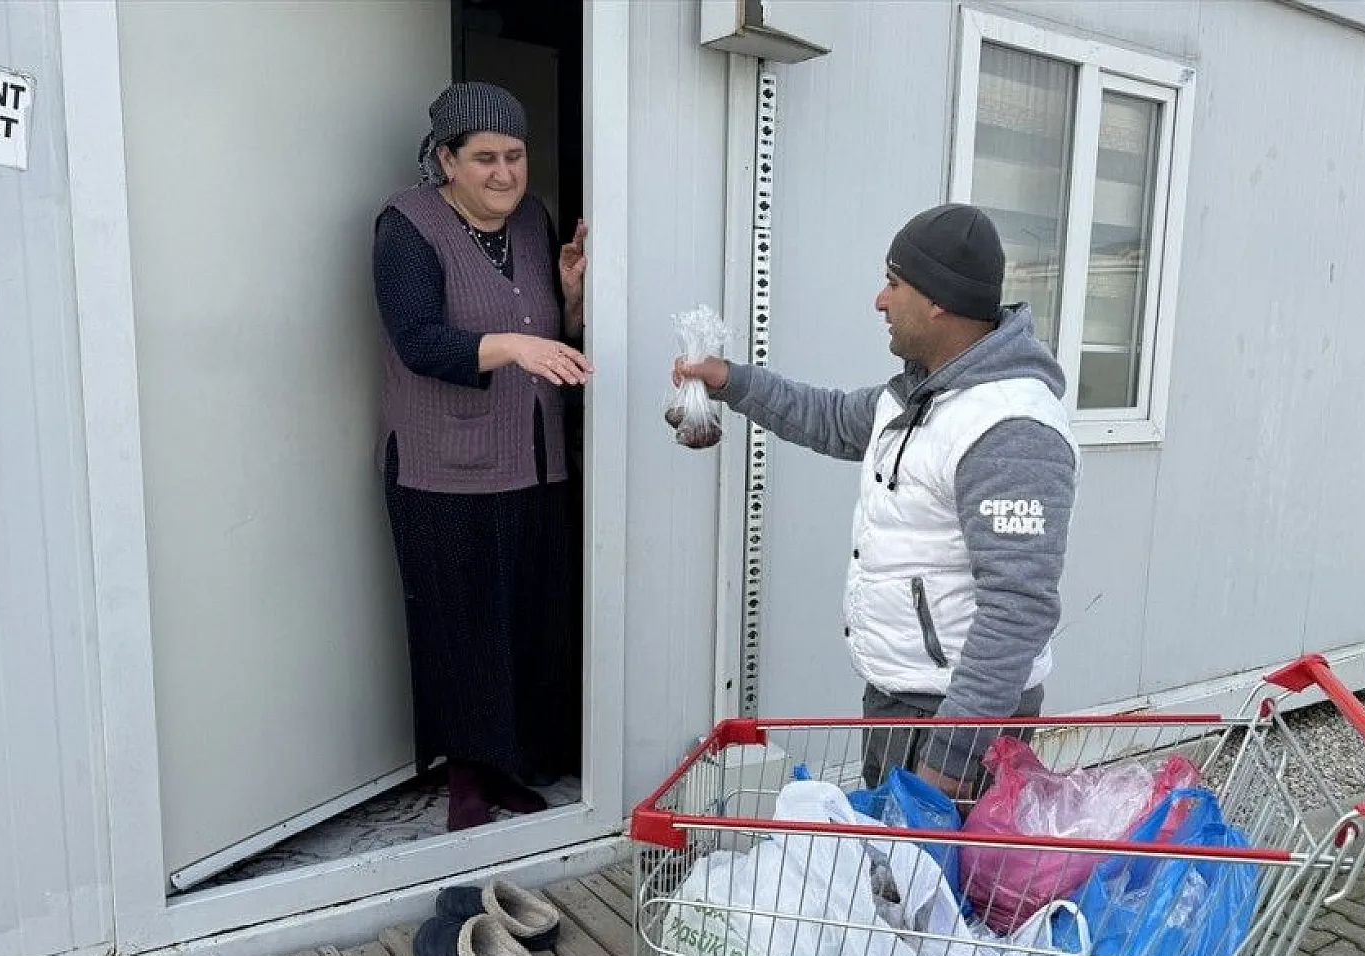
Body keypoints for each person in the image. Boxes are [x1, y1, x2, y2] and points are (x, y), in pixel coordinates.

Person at [675, 204, 1079, 798]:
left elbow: (1017, 610)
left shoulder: (1009, 428)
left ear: (938, 299)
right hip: (901, 702)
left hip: (956, 725)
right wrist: (727, 380)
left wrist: (951, 759)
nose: (879, 301)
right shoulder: (921, 396)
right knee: (891, 857)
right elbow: (831, 417)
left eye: (894, 283)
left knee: (943, 862)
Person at [372, 81, 590, 830]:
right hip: (441, 465)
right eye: (485, 158)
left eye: (516, 156)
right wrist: (518, 347)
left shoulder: (532, 221)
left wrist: (570, 298)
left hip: (532, 456)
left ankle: (511, 765)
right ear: (446, 160)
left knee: (526, 615)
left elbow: (549, 329)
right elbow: (419, 340)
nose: (505, 173)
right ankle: (466, 781)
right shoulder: (407, 225)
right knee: (458, 623)